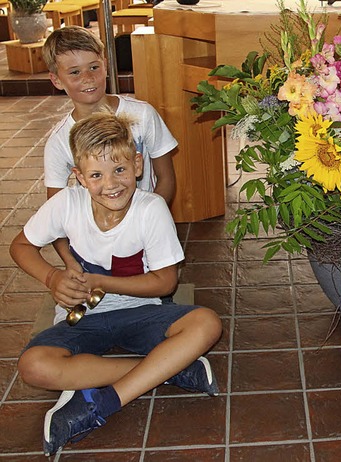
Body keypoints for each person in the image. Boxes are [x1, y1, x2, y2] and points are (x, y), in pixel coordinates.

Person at [9, 113, 222, 456]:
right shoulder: (66, 202)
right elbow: (20, 245)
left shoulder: (150, 209)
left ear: (138, 165)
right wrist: (52, 277)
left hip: (141, 313)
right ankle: (169, 369)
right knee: (33, 366)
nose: (111, 184)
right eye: (96, 175)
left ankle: (105, 401)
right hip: (83, 318)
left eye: (120, 170)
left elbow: (166, 283)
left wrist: (100, 281)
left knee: (206, 322)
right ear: (78, 177)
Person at [42, 26, 177, 273]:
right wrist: (71, 264)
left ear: (105, 64)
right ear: (56, 80)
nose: (88, 78)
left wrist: (150, 225)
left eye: (94, 67)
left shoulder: (143, 115)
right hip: (92, 245)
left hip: (144, 232)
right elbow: (55, 213)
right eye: (74, 72)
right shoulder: (58, 142)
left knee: (157, 290)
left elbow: (166, 177)